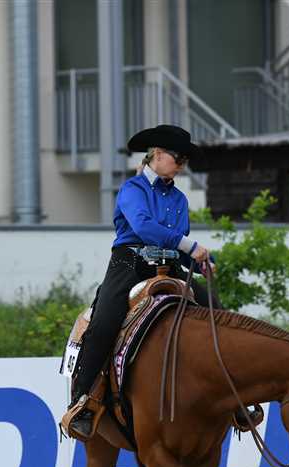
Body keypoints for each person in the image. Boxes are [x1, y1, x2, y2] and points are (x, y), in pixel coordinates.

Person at [66, 124, 216, 439]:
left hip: (169, 266)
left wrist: (201, 262)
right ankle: (82, 401)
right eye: (178, 159)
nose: (181, 166)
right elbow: (144, 227)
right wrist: (191, 247)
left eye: (185, 161)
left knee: (218, 313)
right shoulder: (132, 189)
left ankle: (229, 398)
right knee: (104, 323)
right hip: (129, 263)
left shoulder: (179, 198)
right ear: (158, 154)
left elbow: (180, 245)